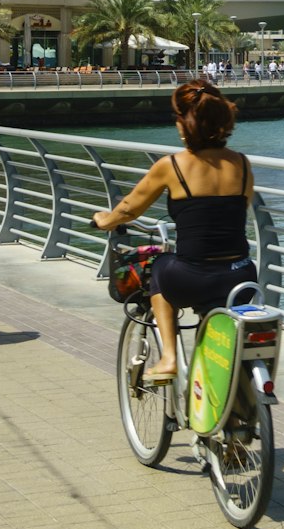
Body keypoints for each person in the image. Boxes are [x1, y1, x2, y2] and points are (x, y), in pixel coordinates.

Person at [91, 79, 257, 384]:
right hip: (241, 274)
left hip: (192, 276)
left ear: (185, 123)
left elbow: (129, 209)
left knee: (160, 271)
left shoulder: (172, 165)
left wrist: (105, 220)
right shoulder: (242, 164)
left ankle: (168, 357)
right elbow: (236, 211)